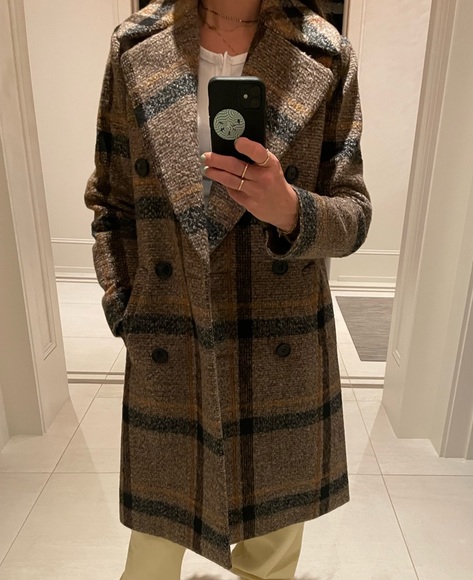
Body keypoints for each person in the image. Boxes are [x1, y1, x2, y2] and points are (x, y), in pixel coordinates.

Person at [84, 0, 371, 578]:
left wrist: (290, 208)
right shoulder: (135, 43)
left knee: (270, 555)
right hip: (169, 335)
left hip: (279, 348)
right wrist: (126, 307)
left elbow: (354, 215)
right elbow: (110, 202)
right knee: (152, 549)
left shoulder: (324, 52)